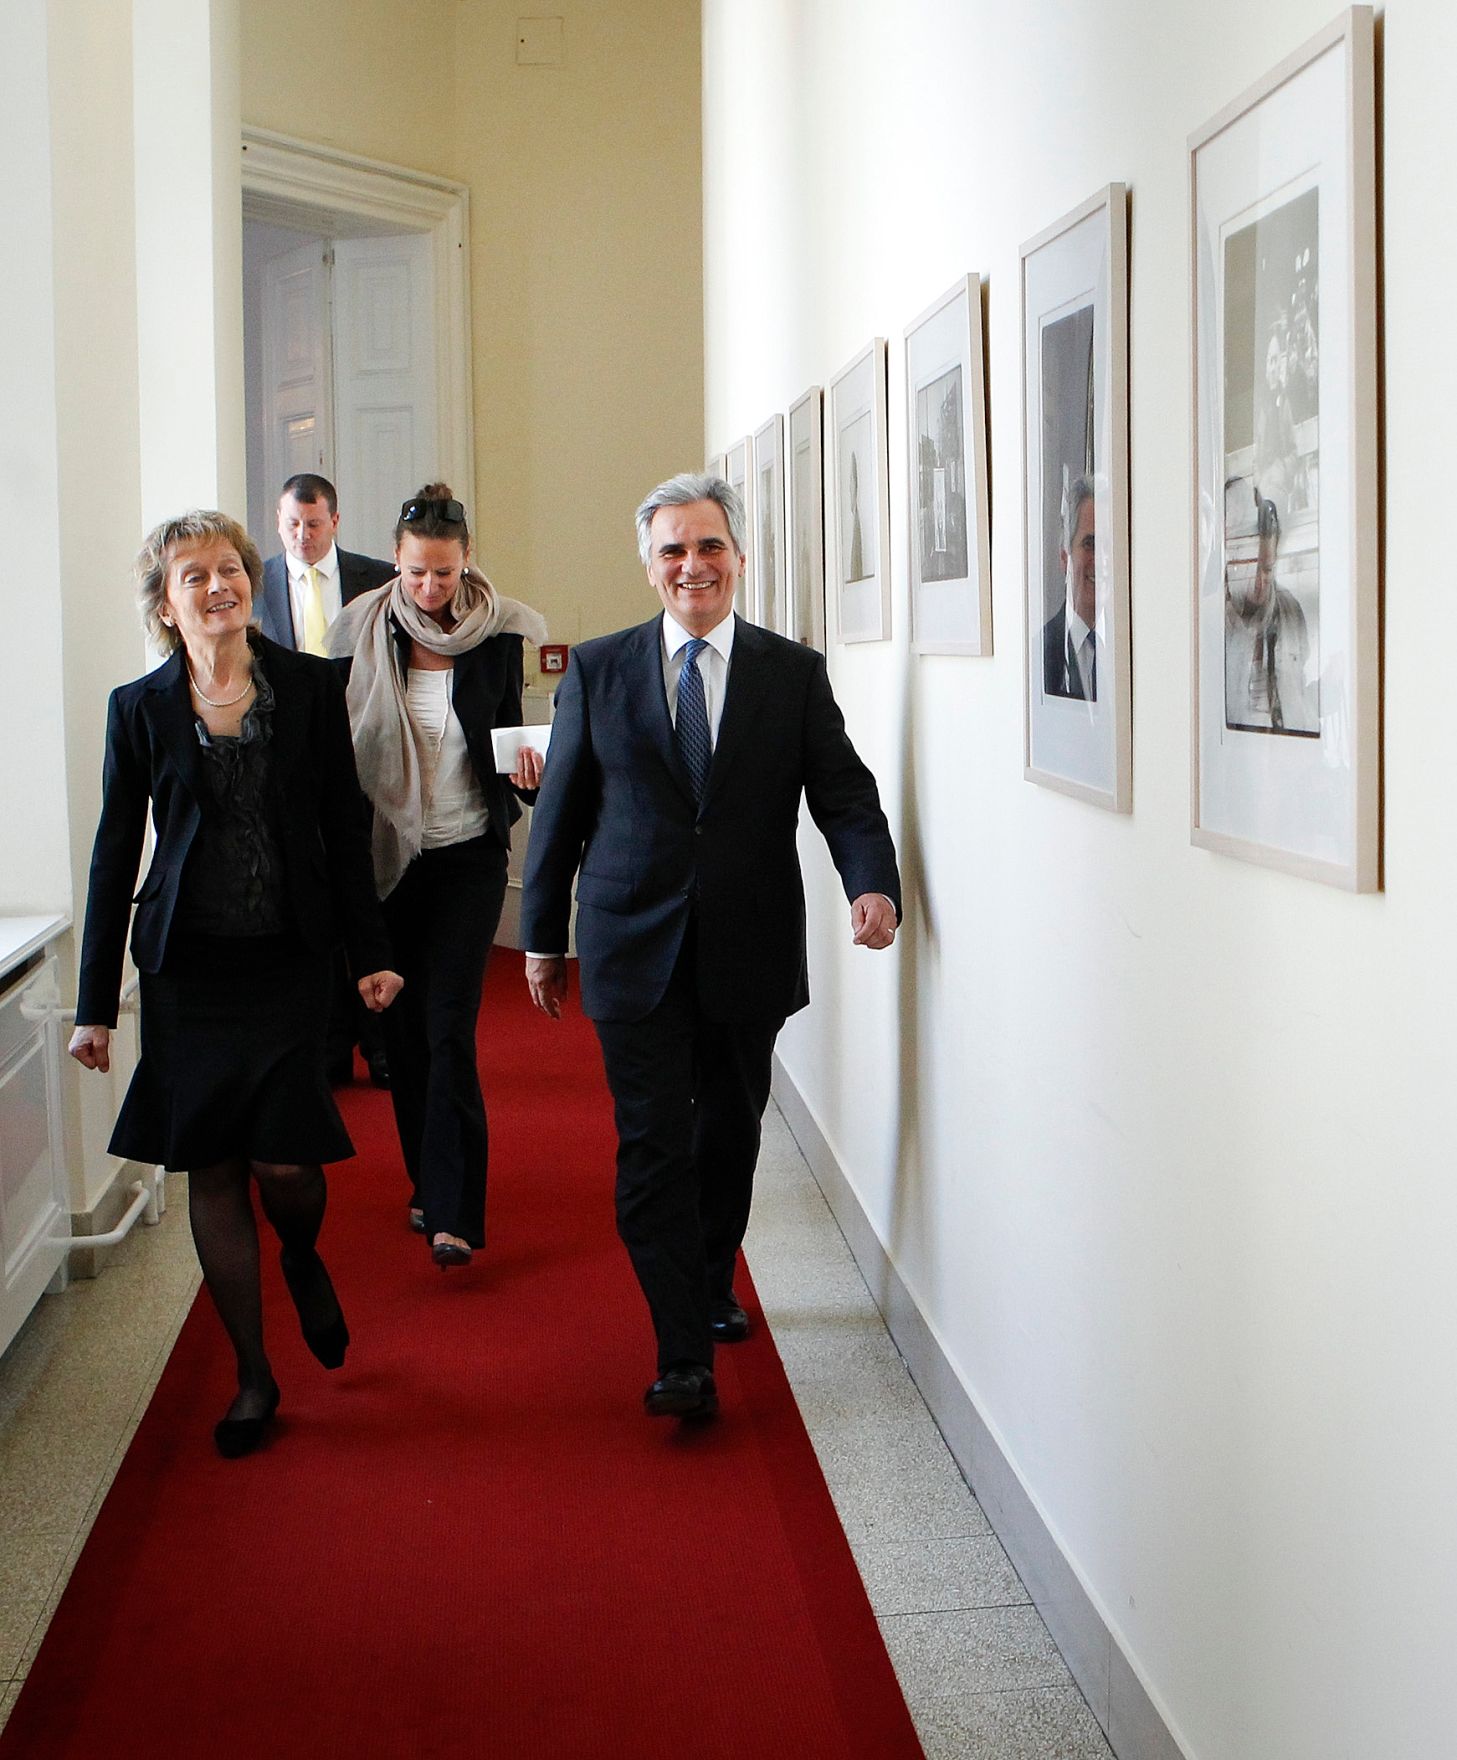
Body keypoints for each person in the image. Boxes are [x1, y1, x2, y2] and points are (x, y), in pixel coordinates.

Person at [521, 471, 900, 1422]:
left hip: (747, 943)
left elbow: (844, 795)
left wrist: (872, 883)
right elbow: (561, 809)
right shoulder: (601, 669)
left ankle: (711, 1274)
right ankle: (681, 1347)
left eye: (710, 546)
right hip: (627, 939)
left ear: (738, 556)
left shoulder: (789, 672)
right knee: (651, 1142)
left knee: (727, 1134)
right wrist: (540, 937)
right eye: (673, 551)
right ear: (649, 568)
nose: (694, 565)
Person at [69, 511, 403, 1459]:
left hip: (288, 961)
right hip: (188, 971)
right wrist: (96, 1005)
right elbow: (112, 858)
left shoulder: (305, 686)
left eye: (230, 570)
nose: (218, 587)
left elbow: (346, 827)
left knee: (285, 1165)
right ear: (166, 605)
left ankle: (300, 1253)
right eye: (194, 577)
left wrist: (370, 951)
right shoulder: (138, 709)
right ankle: (254, 1373)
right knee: (212, 1166)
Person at [329, 485, 547, 1268]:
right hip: (387, 859)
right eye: (417, 572)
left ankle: (455, 1211)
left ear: (465, 564)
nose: (430, 588)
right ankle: (427, 1181)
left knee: (449, 1028)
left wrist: (528, 777)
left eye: (445, 574)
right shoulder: (358, 631)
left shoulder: (498, 635)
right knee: (405, 1034)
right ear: (395, 559)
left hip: (468, 855)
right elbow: (336, 752)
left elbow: (514, 750)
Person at [258, 473, 397, 1086]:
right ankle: (330, 1042)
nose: (303, 535)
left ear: (334, 522)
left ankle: (382, 1041)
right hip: (292, 762)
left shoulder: (376, 579)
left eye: (314, 524)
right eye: (292, 524)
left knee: (366, 887)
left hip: (367, 754)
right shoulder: (253, 582)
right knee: (313, 895)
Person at [1224, 493, 1318, 735]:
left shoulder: (1291, 611)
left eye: (1267, 569)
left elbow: (1300, 690)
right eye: (1251, 568)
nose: (1260, 581)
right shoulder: (1213, 623)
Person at [1041, 472, 1099, 701]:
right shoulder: (1039, 654)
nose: (1101, 559)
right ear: (1065, 556)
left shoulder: (1140, 649)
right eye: (1089, 544)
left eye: (1108, 545)